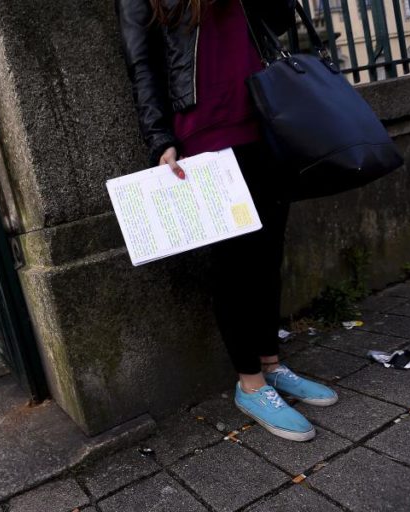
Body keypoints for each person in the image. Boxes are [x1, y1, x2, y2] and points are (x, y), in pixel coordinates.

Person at [116, 0, 338, 441]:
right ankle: (250, 384)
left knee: (268, 255)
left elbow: (278, 19)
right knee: (234, 266)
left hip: (264, 119)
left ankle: (271, 365)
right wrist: (159, 138)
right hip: (205, 137)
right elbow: (141, 63)